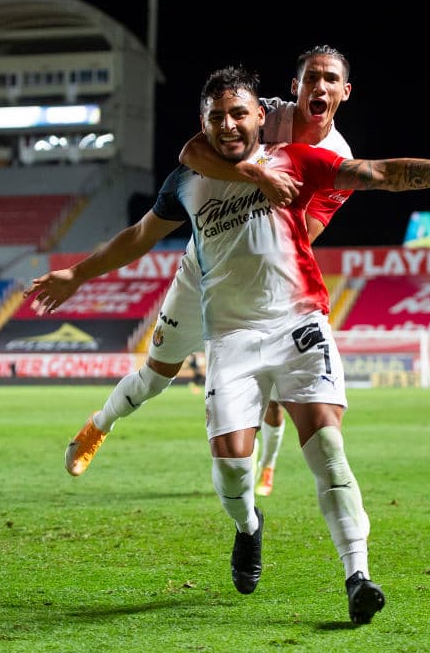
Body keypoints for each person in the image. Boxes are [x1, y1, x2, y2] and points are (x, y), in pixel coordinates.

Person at [24, 65, 430, 624]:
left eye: (240, 114)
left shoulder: (306, 156)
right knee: (176, 402)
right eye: (218, 117)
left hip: (297, 321)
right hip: (217, 308)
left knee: (329, 450)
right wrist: (77, 275)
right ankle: (226, 510)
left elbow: (381, 173)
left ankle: (358, 576)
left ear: (263, 116)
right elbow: (141, 233)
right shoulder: (190, 176)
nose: (230, 124)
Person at [63, 45, 356, 498]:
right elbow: (192, 153)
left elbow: (305, 232)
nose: (320, 87)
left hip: (269, 290)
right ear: (294, 86)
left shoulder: (337, 156)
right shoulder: (265, 115)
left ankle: (263, 472)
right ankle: (100, 424)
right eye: (311, 78)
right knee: (155, 378)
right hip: (203, 272)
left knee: (277, 397)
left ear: (345, 91)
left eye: (330, 80)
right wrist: (258, 176)